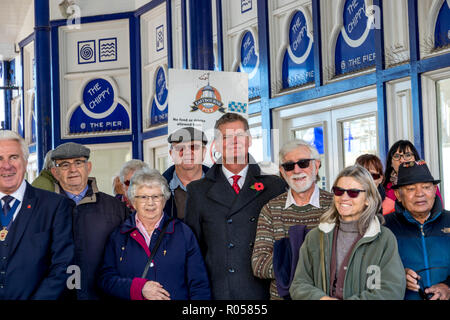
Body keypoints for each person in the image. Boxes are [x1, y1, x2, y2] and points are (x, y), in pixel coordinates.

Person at [184, 112, 286, 300]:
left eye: (239, 136)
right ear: (216, 144)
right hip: (219, 292)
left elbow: (284, 244)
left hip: (264, 291)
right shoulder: (197, 191)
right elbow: (193, 251)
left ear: (249, 141)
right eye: (226, 137)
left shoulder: (274, 186)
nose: (234, 142)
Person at [289, 165, 406, 300]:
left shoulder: (384, 239)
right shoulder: (315, 237)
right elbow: (298, 285)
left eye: (353, 192)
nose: (344, 197)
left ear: (368, 199)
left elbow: (392, 291)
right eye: (339, 191)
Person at [98, 169, 211, 300]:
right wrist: (138, 288)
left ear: (165, 199)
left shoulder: (183, 233)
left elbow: (199, 285)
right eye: (143, 197)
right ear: (134, 201)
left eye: (156, 196)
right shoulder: (119, 236)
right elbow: (105, 280)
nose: (150, 203)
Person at [251, 140, 333, 300]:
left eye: (303, 163)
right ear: (282, 171)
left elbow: (343, 260)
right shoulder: (270, 209)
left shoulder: (335, 206)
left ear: (316, 166)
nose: (296, 170)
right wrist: (312, 259)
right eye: (289, 166)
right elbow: (259, 265)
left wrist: (285, 254)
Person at [0, 130, 74, 299]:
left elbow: (62, 266)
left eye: (13, 157)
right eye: (0, 158)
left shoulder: (54, 206)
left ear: (25, 162)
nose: (6, 165)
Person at [50, 142, 130, 300]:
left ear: (89, 167)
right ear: (55, 172)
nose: (73, 170)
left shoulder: (116, 208)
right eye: (65, 165)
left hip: (105, 296)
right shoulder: (44, 209)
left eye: (78, 163)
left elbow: (128, 257)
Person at [385, 160, 450, 300]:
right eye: (411, 189)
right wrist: (398, 276)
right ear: (398, 194)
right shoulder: (385, 227)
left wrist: (448, 286)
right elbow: (371, 272)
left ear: (434, 190)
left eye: (426, 187)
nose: (420, 194)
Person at [163, 127, 209, 219]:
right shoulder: (157, 189)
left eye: (194, 147)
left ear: (203, 153)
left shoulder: (223, 186)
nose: (187, 153)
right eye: (180, 148)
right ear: (171, 154)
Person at [383, 140, 441, 204]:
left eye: (407, 155)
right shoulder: (383, 188)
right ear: (391, 163)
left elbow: (438, 210)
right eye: (396, 156)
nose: (402, 160)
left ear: (415, 159)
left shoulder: (429, 184)